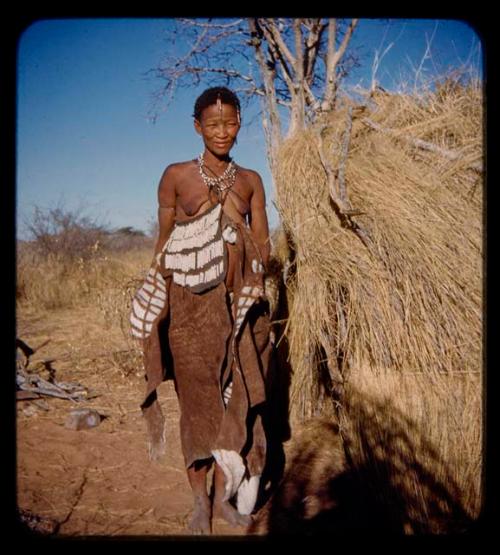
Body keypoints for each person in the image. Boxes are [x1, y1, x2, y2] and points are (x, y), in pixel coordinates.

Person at [130, 86, 273, 535]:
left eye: (230, 122)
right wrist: (156, 302)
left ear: (239, 124)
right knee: (197, 407)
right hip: (190, 314)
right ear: (197, 127)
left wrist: (257, 291)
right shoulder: (176, 176)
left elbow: (263, 245)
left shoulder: (250, 180)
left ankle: (225, 497)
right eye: (213, 124)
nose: (222, 131)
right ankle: (199, 503)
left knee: (242, 398)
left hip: (240, 310)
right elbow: (164, 244)